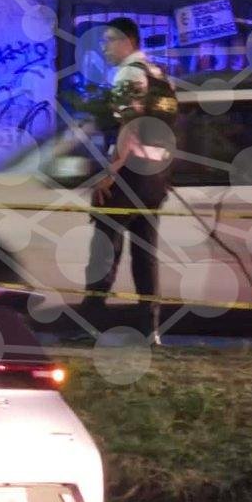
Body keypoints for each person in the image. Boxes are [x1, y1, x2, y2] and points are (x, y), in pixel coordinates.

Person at [85, 17, 177, 320]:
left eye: (109, 40)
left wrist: (110, 174)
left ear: (128, 41)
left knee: (104, 245)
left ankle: (91, 320)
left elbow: (130, 124)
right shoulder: (161, 75)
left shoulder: (128, 73)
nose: (104, 47)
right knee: (145, 250)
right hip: (155, 176)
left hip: (131, 172)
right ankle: (149, 325)